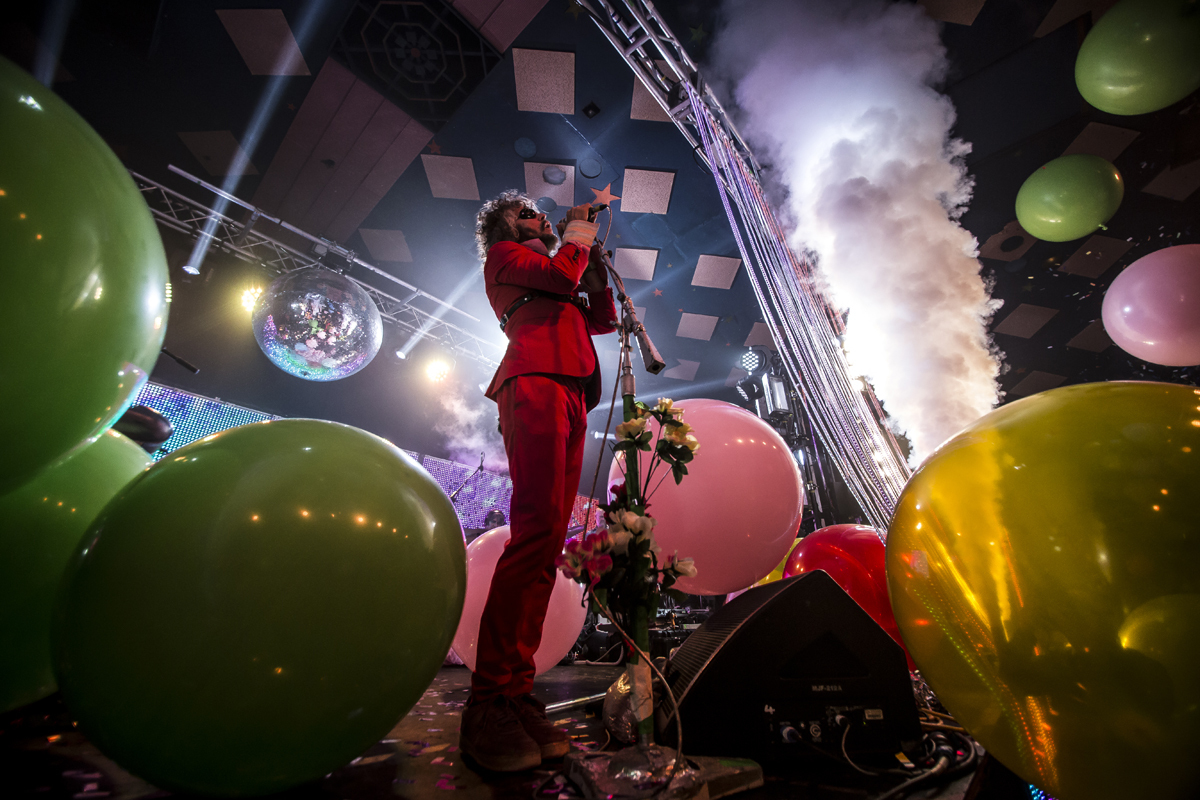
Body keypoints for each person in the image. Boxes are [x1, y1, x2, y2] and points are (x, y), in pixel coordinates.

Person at [460, 192, 617, 772]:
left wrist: (595, 269)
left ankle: (516, 694)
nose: (541, 216)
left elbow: (601, 320)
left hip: (571, 391)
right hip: (534, 383)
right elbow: (557, 276)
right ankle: (487, 703)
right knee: (533, 538)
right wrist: (577, 236)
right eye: (527, 213)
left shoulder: (556, 271)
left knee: (548, 543)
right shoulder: (505, 257)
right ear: (505, 227)